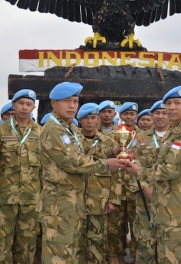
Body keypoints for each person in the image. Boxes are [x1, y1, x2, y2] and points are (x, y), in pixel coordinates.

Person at [36, 82, 125, 263]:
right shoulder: (54, 130)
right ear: (53, 103)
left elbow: (83, 152)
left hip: (71, 203)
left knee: (71, 254)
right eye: (66, 101)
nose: (72, 106)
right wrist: (106, 165)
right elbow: (73, 162)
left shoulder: (67, 128)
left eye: (75, 101)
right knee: (59, 255)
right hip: (59, 205)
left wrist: (110, 152)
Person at [126, 85, 181, 264]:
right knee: (163, 257)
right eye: (168, 103)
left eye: (177, 103)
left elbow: (172, 169)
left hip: (177, 211)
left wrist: (140, 171)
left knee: (175, 258)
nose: (171, 107)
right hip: (163, 209)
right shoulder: (172, 133)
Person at [0, 89, 42, 264]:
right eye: (21, 103)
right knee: (2, 242)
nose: (24, 108)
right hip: (4, 197)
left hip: (31, 197)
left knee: (27, 243)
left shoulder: (41, 133)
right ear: (13, 105)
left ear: (34, 107)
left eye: (28, 104)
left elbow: (46, 168)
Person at [77, 103, 120, 264]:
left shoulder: (109, 144)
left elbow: (117, 174)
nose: (89, 121)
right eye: (85, 118)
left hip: (99, 201)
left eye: (93, 117)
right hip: (76, 201)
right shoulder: (72, 141)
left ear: (98, 120)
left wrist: (113, 199)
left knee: (97, 243)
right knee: (77, 244)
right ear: (79, 120)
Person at [107, 102, 141, 263]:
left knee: (138, 227)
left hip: (136, 189)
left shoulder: (144, 136)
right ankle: (116, 258)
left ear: (136, 116)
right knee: (114, 228)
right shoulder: (111, 135)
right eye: (125, 114)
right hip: (116, 189)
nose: (129, 117)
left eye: (132, 114)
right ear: (120, 115)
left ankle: (136, 257)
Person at [133, 100, 166, 263]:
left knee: (169, 244)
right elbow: (132, 166)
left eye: (164, 112)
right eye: (157, 113)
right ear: (151, 116)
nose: (160, 116)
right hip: (145, 198)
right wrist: (146, 188)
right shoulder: (139, 138)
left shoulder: (179, 137)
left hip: (171, 198)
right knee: (145, 241)